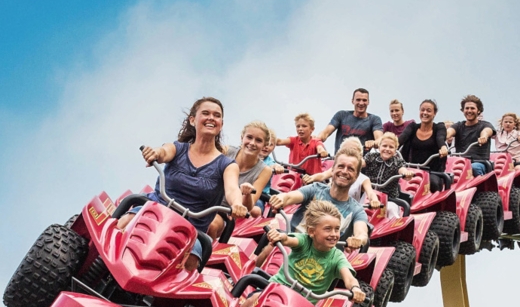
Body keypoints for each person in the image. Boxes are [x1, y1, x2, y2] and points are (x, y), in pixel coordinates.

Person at [117, 97, 247, 270]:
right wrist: (154, 153)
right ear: (193, 120)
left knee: (191, 260)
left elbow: (232, 189)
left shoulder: (227, 165)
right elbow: (163, 152)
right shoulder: (178, 148)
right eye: (205, 113)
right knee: (126, 222)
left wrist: (237, 204)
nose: (211, 118)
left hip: (189, 229)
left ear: (221, 124)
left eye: (216, 116)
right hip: (156, 210)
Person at [268, 142, 370, 248]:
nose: (344, 171)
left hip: (324, 258)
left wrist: (358, 240)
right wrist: (280, 198)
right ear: (333, 169)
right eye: (341, 166)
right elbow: (289, 197)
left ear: (357, 175)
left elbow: (362, 233)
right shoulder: (316, 189)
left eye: (350, 169)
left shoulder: (357, 210)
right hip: (292, 245)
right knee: (268, 247)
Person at [264, 200, 366, 304]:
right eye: (328, 229)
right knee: (253, 298)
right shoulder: (305, 241)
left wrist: (355, 288)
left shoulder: (337, 257)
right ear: (311, 232)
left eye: (337, 229)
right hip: (276, 289)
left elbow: (349, 278)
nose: (334, 234)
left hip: (302, 306)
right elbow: (288, 239)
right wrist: (279, 236)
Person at [212, 122, 273, 231]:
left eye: (258, 140)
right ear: (242, 138)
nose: (252, 143)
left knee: (212, 224)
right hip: (206, 203)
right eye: (249, 137)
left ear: (264, 145)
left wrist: (247, 194)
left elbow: (249, 207)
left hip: (226, 212)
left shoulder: (265, 170)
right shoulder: (226, 151)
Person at [399, 99, 449, 191]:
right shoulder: (412, 127)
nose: (425, 113)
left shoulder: (439, 127)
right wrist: (389, 146)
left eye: (429, 111)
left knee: (432, 183)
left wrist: (443, 147)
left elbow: (440, 138)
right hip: (410, 170)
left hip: (433, 173)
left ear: (434, 113)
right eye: (422, 110)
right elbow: (401, 138)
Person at [317, 88, 383, 154]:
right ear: (352, 101)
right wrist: (316, 140)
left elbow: (379, 139)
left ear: (368, 102)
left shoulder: (374, 120)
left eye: (364, 100)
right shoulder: (341, 115)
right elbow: (325, 133)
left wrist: (373, 143)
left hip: (361, 161)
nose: (361, 103)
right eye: (358, 100)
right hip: (340, 158)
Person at [446, 95, 495, 177]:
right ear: (463, 110)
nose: (469, 111)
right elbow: (449, 132)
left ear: (478, 111)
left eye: (472, 108)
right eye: (467, 108)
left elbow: (487, 131)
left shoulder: (485, 125)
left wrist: (484, 137)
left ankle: (480, 188)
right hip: (459, 162)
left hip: (478, 162)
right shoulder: (458, 125)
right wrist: (443, 136)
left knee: (474, 168)